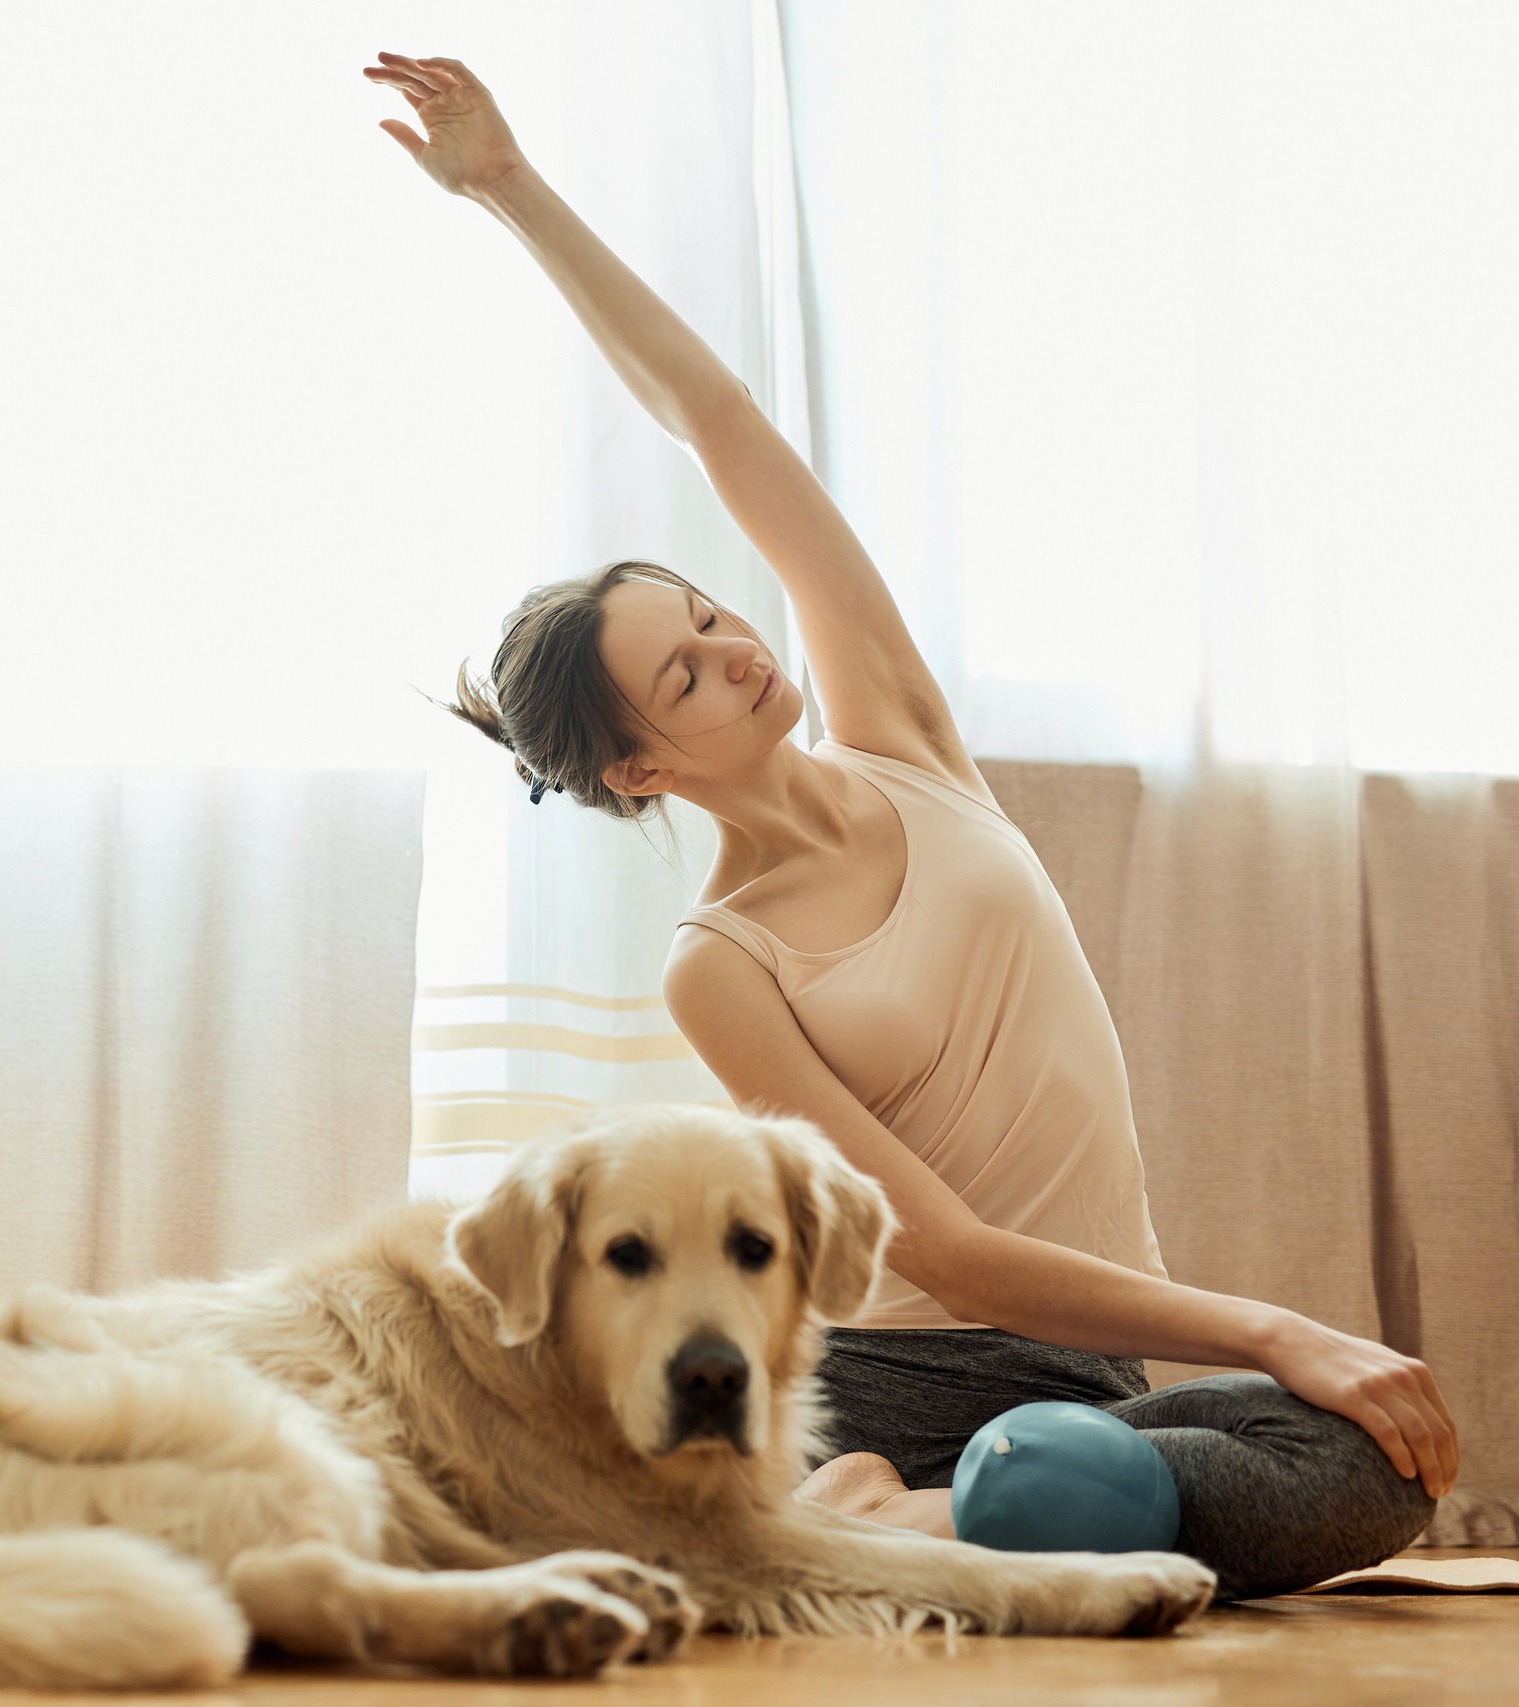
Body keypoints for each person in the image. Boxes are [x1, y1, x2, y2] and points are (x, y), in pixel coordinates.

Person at [362, 50, 1451, 1599]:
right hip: (881, 1379)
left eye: (712, 616)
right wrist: (1279, 1323)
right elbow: (930, 1249)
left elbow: (718, 419)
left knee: (1366, 1465)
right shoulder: (721, 964)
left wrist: (512, 189)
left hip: (1085, 1382)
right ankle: (885, 1508)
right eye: (688, 673)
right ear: (646, 773)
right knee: (1288, 1410)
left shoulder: (907, 742)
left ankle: (907, 1528)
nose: (739, 650)